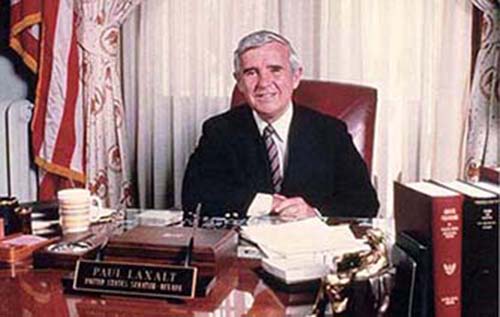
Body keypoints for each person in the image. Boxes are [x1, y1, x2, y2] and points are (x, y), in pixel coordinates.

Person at [182, 30, 379, 219]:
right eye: (251, 73)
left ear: (295, 77)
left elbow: (365, 202)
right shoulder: (219, 130)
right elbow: (194, 196)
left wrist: (315, 212)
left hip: (310, 245)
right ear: (239, 82)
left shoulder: (330, 131)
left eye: (275, 70)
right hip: (244, 246)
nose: (264, 83)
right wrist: (266, 204)